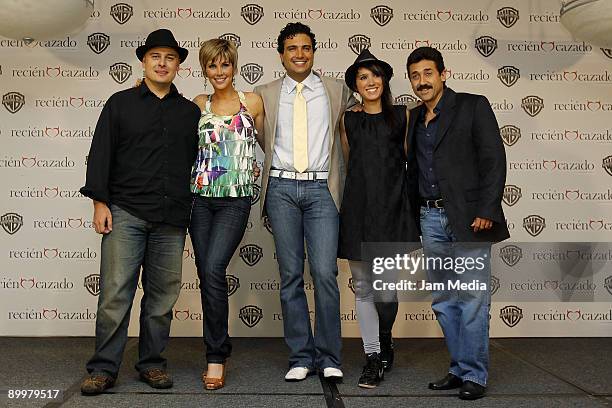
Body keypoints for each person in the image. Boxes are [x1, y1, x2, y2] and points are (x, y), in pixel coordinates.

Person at [79, 29, 200, 395]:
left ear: (178, 65)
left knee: (162, 298)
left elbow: (203, 161)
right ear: (144, 62)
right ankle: (103, 368)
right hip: (126, 212)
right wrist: (100, 202)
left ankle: (151, 363)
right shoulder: (120, 103)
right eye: (155, 57)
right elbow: (101, 153)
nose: (162, 63)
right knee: (115, 294)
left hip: (172, 217)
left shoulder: (190, 112)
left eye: (169, 58)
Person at [405, 46, 510, 400]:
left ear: (443, 74)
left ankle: (475, 376)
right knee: (444, 300)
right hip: (429, 216)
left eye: (428, 73)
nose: (422, 81)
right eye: (415, 76)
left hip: (470, 218)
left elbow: (494, 159)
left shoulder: (472, 105)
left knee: (473, 298)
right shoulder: (414, 120)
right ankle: (459, 367)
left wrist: (487, 208)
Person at [253, 22, 356, 382]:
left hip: (322, 191)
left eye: (306, 48)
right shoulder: (263, 92)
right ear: (281, 54)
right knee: (290, 276)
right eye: (292, 48)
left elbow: (374, 106)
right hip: (281, 189)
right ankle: (300, 355)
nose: (300, 54)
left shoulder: (337, 90)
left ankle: (329, 356)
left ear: (314, 52)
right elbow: (218, 103)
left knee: (326, 274)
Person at [339, 49, 420, 388]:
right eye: (362, 77)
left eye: (374, 75)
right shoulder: (349, 119)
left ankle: (386, 338)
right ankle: (372, 356)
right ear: (355, 85)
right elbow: (349, 163)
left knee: (385, 291)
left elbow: (409, 161)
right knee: (363, 288)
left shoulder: (403, 116)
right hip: (358, 209)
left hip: (391, 209)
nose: (370, 81)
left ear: (384, 79)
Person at [189, 38, 264, 390]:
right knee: (207, 275)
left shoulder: (252, 102)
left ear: (233, 66)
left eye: (224, 64)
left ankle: (216, 356)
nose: (219, 71)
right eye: (212, 65)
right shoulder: (198, 104)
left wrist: (257, 169)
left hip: (235, 200)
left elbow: (270, 143)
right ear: (204, 69)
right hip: (200, 200)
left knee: (214, 268)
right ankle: (215, 352)